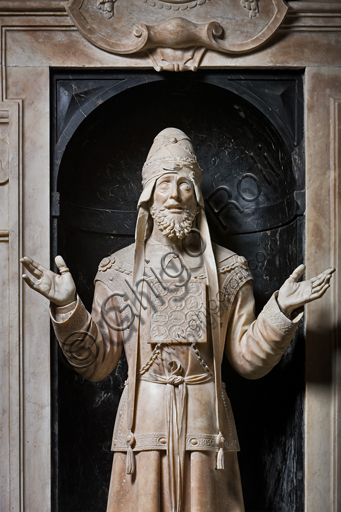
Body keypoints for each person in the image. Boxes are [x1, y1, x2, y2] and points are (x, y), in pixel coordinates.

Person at [21, 128, 334, 512]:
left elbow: (247, 359)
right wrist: (69, 305)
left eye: (184, 185)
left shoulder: (230, 268)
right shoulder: (118, 271)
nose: (174, 195)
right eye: (164, 183)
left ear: (197, 198)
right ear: (148, 196)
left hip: (208, 429)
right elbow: (97, 361)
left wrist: (281, 310)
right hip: (142, 428)